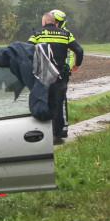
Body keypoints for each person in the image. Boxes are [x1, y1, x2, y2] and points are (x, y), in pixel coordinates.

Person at [30, 9, 85, 144]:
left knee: (43, 102)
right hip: (60, 76)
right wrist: (76, 65)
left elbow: (27, 49)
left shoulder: (37, 34)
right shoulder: (66, 34)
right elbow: (79, 50)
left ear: (44, 22)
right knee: (59, 103)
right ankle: (58, 134)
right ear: (55, 23)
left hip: (43, 76)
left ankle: (42, 132)